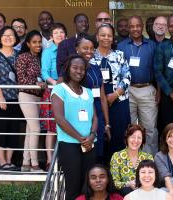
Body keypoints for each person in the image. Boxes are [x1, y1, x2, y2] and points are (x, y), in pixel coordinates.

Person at [52, 54, 98, 200]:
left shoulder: (88, 92)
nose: (79, 71)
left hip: (90, 146)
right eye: (75, 67)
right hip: (69, 145)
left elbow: (95, 118)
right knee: (73, 188)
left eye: (82, 69)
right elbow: (59, 118)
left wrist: (91, 136)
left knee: (87, 188)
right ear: (67, 69)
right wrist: (80, 138)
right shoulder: (60, 89)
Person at [117, 16, 158, 154]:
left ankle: (150, 160)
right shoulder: (121, 46)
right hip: (128, 91)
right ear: (128, 28)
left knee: (150, 127)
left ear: (143, 27)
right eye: (132, 26)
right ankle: (132, 159)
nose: (135, 29)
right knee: (130, 128)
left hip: (147, 89)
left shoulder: (152, 45)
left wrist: (158, 91)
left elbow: (157, 69)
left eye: (138, 26)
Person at [0, 26, 23, 171]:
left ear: (16, 38)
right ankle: (2, 162)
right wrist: (1, 97)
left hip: (15, 98)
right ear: (0, 38)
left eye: (11, 35)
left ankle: (9, 161)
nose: (8, 37)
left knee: (13, 130)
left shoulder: (19, 55)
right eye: (5, 35)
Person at [91, 24, 131, 156]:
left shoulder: (119, 55)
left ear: (113, 38)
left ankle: (117, 169)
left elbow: (127, 76)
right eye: (103, 35)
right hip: (96, 101)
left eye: (109, 35)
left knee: (119, 135)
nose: (106, 38)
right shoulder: (90, 57)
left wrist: (115, 94)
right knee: (100, 134)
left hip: (119, 100)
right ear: (97, 37)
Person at [15, 30, 47, 172]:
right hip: (26, 95)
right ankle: (34, 164)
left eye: (39, 42)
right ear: (28, 44)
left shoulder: (41, 58)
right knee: (35, 128)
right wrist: (36, 82)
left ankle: (25, 163)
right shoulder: (23, 57)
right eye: (34, 42)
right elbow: (21, 79)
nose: (38, 45)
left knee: (30, 130)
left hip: (39, 97)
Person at [78, 37, 111, 163]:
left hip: (98, 111)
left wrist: (107, 123)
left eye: (92, 48)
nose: (89, 51)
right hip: (83, 113)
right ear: (77, 49)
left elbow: (102, 97)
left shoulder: (95, 68)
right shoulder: (74, 69)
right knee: (86, 149)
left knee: (99, 152)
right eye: (85, 48)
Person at [41, 23, 67, 168]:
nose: (59, 35)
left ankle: (63, 160)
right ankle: (50, 160)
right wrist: (55, 82)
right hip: (52, 90)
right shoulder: (48, 52)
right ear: (51, 37)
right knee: (51, 128)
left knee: (65, 126)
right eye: (56, 33)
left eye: (62, 32)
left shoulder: (70, 51)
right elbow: (44, 72)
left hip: (67, 91)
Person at [155, 15, 173, 135]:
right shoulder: (162, 46)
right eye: (171, 26)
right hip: (168, 94)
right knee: (169, 129)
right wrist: (170, 92)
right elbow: (157, 71)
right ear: (168, 28)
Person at [110, 124, 154, 196]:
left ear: (143, 140)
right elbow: (113, 182)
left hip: (145, 193)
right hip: (125, 194)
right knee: (127, 190)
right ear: (127, 138)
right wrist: (128, 184)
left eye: (139, 138)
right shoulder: (117, 156)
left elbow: (153, 179)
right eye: (133, 137)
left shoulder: (148, 157)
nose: (136, 141)